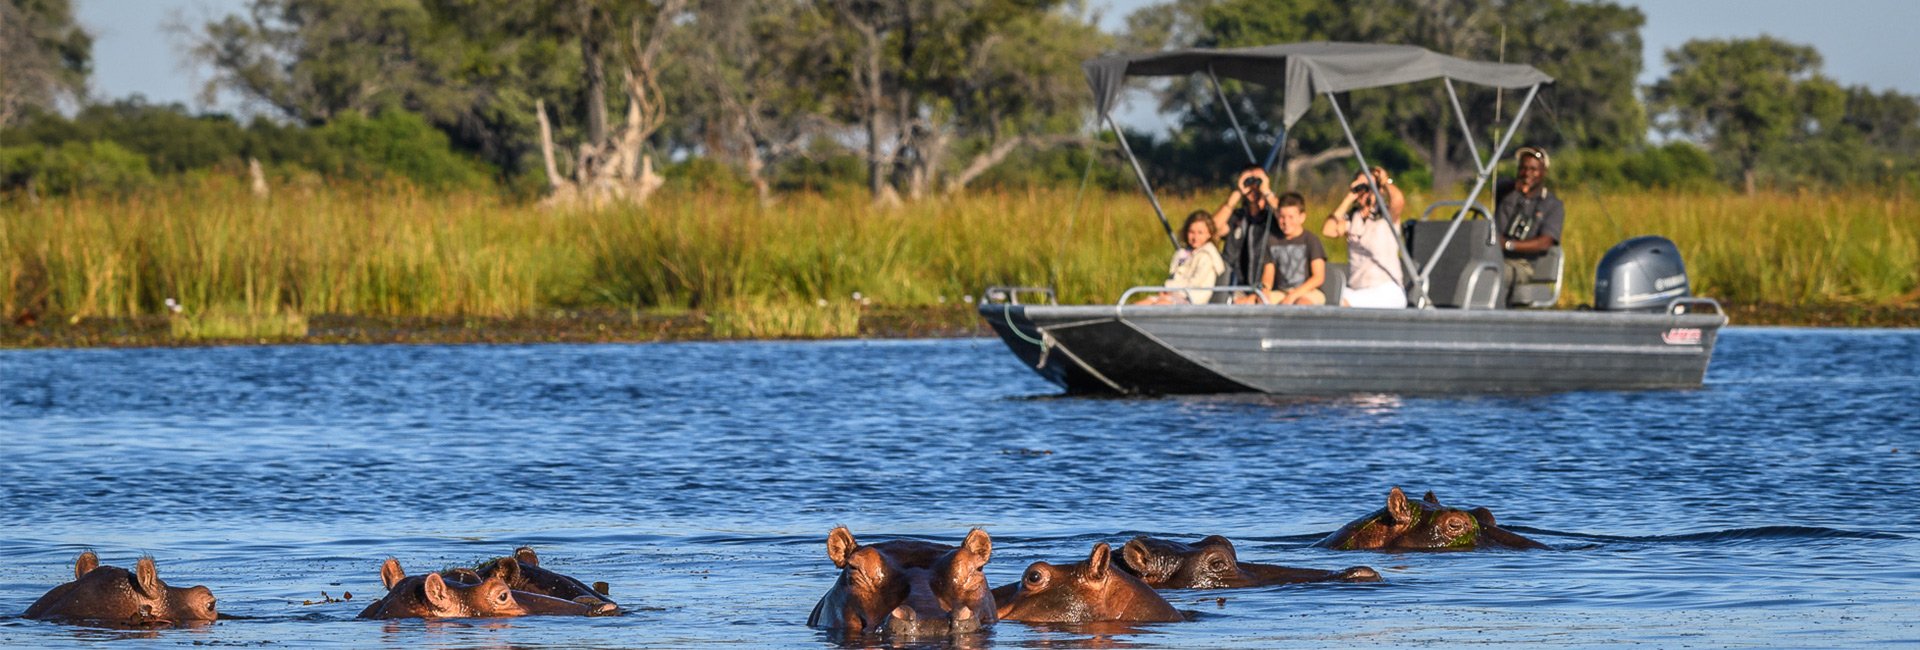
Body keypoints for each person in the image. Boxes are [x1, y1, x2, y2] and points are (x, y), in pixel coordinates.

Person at [1323, 167, 1408, 308]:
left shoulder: (1386, 216)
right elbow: (1328, 230)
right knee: (1323, 299)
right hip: (1356, 290)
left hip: (1385, 290)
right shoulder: (1352, 218)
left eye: (1368, 187)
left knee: (1340, 304)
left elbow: (1398, 200)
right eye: (1361, 187)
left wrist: (1384, 182)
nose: (1364, 192)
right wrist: (1349, 197)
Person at [1493, 147, 1565, 305]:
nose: (1527, 173)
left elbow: (1545, 243)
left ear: (1543, 172)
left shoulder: (1552, 204)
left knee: (1492, 272)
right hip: (1493, 257)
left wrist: (1508, 245)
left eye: (1533, 169)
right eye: (1523, 168)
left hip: (1523, 265)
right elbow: (1496, 185)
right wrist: (1515, 186)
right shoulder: (1507, 194)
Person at [1239, 192, 1326, 305]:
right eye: (1282, 217)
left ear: (1302, 217)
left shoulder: (1311, 240)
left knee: (1301, 304)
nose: (1286, 222)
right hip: (1281, 292)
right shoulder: (1271, 241)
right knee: (1247, 302)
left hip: (1308, 292)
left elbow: (1318, 278)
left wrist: (1293, 295)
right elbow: (1268, 275)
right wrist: (1265, 290)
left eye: (1291, 217)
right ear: (1276, 215)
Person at [1210, 165, 1279, 290]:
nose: (1253, 187)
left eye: (1257, 181)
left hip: (1268, 287)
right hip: (1236, 285)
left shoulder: (1274, 217)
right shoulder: (1236, 217)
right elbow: (1211, 229)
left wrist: (1266, 191)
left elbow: (1290, 221)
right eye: (1249, 181)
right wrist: (1237, 192)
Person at [1136, 211, 1226, 305]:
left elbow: (1195, 282)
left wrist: (1168, 286)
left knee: (1160, 305)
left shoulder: (1208, 255)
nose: (1195, 237)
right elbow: (1173, 277)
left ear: (1209, 234)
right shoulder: (1182, 253)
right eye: (1192, 232)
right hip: (1174, 294)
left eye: (1200, 233)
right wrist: (1165, 290)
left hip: (1192, 298)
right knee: (1140, 305)